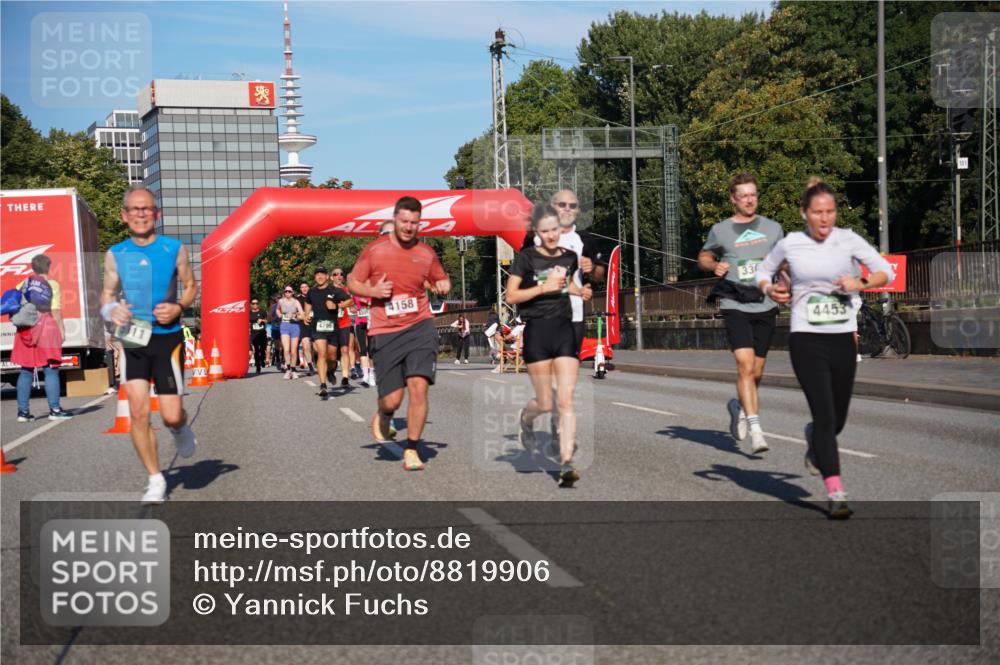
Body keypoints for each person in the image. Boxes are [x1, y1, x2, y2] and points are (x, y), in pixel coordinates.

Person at [755, 177, 893, 519]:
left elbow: (884, 272)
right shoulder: (791, 244)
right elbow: (763, 271)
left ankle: (814, 438)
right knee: (825, 413)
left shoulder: (848, 240)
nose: (824, 218)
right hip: (806, 339)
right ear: (805, 213)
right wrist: (770, 290)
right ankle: (835, 490)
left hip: (842, 338)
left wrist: (858, 282)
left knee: (838, 420)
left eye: (830, 211)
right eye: (818, 212)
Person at [101, 186, 198, 504]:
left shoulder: (174, 248)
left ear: (157, 214)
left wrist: (179, 307)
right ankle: (155, 479)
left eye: (147, 209)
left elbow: (190, 286)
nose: (141, 214)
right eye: (134, 209)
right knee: (139, 412)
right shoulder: (116, 253)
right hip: (133, 337)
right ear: (124, 215)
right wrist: (110, 310)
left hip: (168, 337)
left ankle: (180, 429)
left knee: (171, 415)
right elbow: (107, 294)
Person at [348, 196, 451, 471]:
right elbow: (352, 281)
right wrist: (372, 292)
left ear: (420, 223)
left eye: (414, 223)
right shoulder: (375, 250)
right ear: (395, 220)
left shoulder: (426, 253)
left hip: (420, 326)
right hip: (385, 329)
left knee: (419, 388)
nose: (408, 227)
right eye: (404, 221)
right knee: (393, 398)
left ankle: (412, 449)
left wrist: (442, 284)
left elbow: (440, 278)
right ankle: (384, 413)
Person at [698, 173, 784, 455]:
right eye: (744, 195)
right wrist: (714, 267)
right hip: (735, 301)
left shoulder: (773, 229)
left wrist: (788, 284)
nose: (749, 199)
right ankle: (756, 429)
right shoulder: (721, 230)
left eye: (753, 194)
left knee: (756, 371)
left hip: (765, 303)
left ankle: (738, 406)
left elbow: (783, 264)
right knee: (745, 365)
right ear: (733, 199)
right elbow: (704, 256)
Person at [508, 204, 593, 488]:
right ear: (536, 231)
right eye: (544, 231)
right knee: (546, 402)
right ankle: (526, 418)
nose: (551, 235)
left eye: (554, 229)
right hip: (537, 333)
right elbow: (512, 296)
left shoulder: (570, 257)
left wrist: (581, 291)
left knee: (566, 399)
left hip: (563, 329)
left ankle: (566, 462)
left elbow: (567, 284)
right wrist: (542, 289)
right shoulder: (525, 258)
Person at [12, 254, 73, 421]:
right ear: (49, 267)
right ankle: (54, 410)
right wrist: (61, 331)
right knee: (51, 369)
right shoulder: (52, 285)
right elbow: (55, 311)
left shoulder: (23, 284)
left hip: (25, 330)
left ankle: (23, 413)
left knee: (25, 371)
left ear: (33, 268)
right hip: (46, 328)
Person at [302, 267, 340, 398]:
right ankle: (323, 385)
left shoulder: (334, 290)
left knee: (332, 357)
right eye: (317, 275)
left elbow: (349, 301)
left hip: (332, 328)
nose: (319, 277)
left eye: (322, 274)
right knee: (322, 353)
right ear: (315, 277)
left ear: (327, 277)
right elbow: (307, 303)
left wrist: (337, 306)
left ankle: (331, 370)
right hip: (317, 327)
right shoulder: (311, 292)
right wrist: (306, 314)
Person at [330, 267, 355, 388]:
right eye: (336, 274)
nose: (339, 276)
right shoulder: (327, 290)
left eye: (341, 274)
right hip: (331, 325)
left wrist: (350, 307)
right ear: (331, 277)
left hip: (344, 323)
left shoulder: (346, 290)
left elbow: (352, 302)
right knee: (332, 354)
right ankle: (331, 370)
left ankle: (345, 377)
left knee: (345, 350)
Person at [276, 285, 304, 379]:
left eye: (289, 291)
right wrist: (279, 314)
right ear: (284, 292)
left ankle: (293, 369)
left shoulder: (296, 302)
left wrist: (295, 315)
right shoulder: (281, 301)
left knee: (293, 351)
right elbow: (278, 309)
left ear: (293, 293)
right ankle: (288, 370)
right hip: (284, 326)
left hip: (295, 326)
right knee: (286, 349)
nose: (288, 293)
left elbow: (302, 315)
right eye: (286, 291)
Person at [353, 293, 374, 387]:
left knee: (372, 350)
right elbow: (351, 305)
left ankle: (372, 374)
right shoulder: (355, 293)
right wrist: (353, 309)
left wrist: (367, 302)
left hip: (372, 323)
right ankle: (365, 376)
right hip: (359, 322)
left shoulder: (373, 292)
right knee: (362, 349)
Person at [296, 282, 316, 376]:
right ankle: (310, 366)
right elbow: (294, 314)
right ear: (300, 289)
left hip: (315, 324)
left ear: (309, 287)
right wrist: (302, 317)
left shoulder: (314, 296)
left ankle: (321, 363)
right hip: (303, 325)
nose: (304, 288)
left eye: (306, 287)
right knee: (306, 346)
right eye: (302, 287)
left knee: (316, 348)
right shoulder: (298, 299)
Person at [249, 297, 268, 375]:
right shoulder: (249, 313)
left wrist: (262, 320)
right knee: (256, 350)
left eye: (256, 303)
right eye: (253, 303)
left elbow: (267, 321)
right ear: (251, 305)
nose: (255, 305)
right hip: (254, 334)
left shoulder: (262, 312)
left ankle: (262, 359)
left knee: (263, 349)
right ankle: (258, 367)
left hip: (262, 333)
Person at [267, 293, 283, 368]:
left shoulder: (285, 305)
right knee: (277, 345)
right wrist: (274, 318)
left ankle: (284, 361)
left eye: (280, 298)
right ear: (275, 299)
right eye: (277, 298)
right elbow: (269, 318)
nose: (279, 299)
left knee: (283, 345)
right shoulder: (273, 307)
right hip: (275, 327)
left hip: (284, 326)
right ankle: (278, 360)